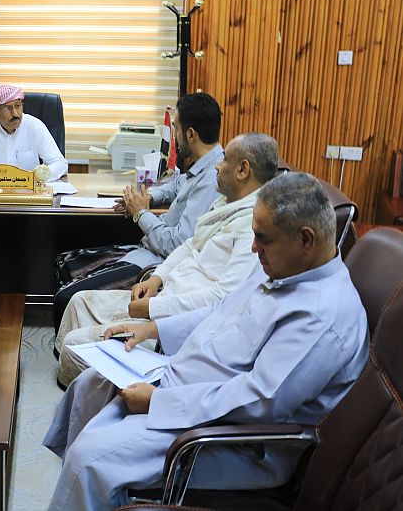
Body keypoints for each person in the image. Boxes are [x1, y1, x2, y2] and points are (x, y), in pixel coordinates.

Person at [42, 172, 369, 510]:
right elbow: (221, 310)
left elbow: (260, 400)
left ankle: (87, 486)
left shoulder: (321, 315)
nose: (253, 248)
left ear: (305, 240)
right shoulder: (284, 267)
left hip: (232, 440)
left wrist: (159, 402)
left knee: (90, 460)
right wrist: (153, 330)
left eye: (262, 239)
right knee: (90, 386)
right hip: (192, 388)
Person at [55, 133, 279, 386]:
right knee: (78, 302)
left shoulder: (253, 225)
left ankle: (110, 393)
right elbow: (190, 244)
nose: (217, 165)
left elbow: (224, 299)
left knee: (73, 345)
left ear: (242, 169)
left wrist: (153, 308)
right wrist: (157, 278)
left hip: (177, 324)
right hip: (165, 295)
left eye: (224, 159)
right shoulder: (227, 204)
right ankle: (84, 387)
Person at [53, 92, 225, 334]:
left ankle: (81, 344)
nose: (174, 137)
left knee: (65, 298)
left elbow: (176, 245)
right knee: (65, 262)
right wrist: (148, 198)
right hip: (148, 248)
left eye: (176, 129)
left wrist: (140, 212)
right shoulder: (202, 164)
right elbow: (176, 186)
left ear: (190, 134)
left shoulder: (211, 179)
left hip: (158, 262)